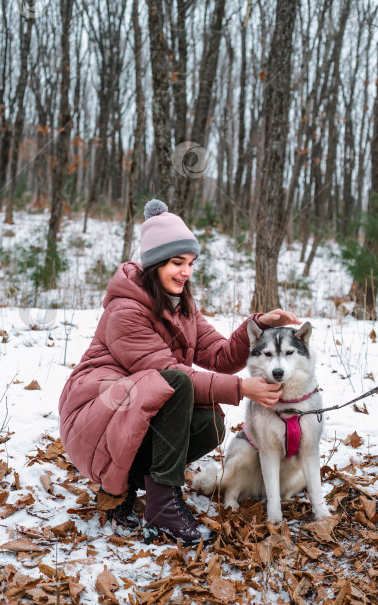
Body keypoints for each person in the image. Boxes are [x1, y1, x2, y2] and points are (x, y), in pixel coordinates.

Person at [58, 199, 300, 546]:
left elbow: (217, 356)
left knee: (210, 423)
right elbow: (171, 373)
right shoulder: (125, 311)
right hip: (95, 414)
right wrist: (242, 388)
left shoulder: (180, 305)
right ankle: (162, 509)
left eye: (190, 263)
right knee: (176, 383)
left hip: (131, 410)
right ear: (154, 263)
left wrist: (257, 326)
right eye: (176, 263)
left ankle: (133, 483)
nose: (185, 272)